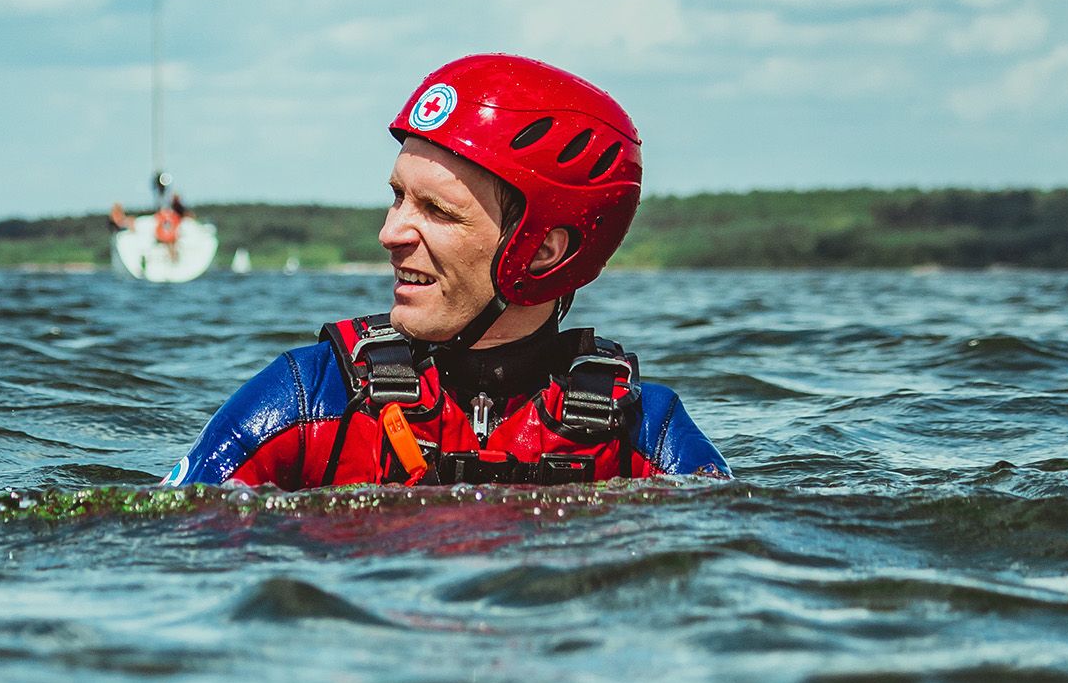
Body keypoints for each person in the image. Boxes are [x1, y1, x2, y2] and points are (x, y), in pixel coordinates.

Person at [163, 54, 727, 488]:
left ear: (543, 253)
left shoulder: (640, 433)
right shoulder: (310, 400)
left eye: (437, 211)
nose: (391, 233)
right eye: (398, 198)